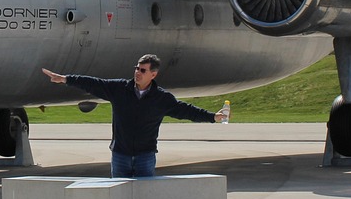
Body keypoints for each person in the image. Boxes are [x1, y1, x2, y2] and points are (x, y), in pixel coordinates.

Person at [41, 54, 227, 178]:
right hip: (120, 155)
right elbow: (94, 84)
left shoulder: (161, 98)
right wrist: (66, 79)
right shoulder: (119, 89)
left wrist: (213, 117)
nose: (138, 72)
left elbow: (187, 111)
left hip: (145, 157)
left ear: (153, 74)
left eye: (143, 70)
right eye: (137, 68)